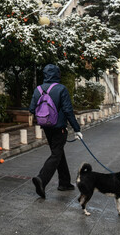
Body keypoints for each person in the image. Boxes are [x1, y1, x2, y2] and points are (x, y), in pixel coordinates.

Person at [29, 64, 82, 199]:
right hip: (59, 128)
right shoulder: (61, 89)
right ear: (57, 74)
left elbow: (31, 109)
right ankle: (42, 179)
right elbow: (68, 111)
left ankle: (64, 183)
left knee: (58, 152)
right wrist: (77, 129)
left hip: (46, 126)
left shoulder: (38, 89)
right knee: (56, 154)